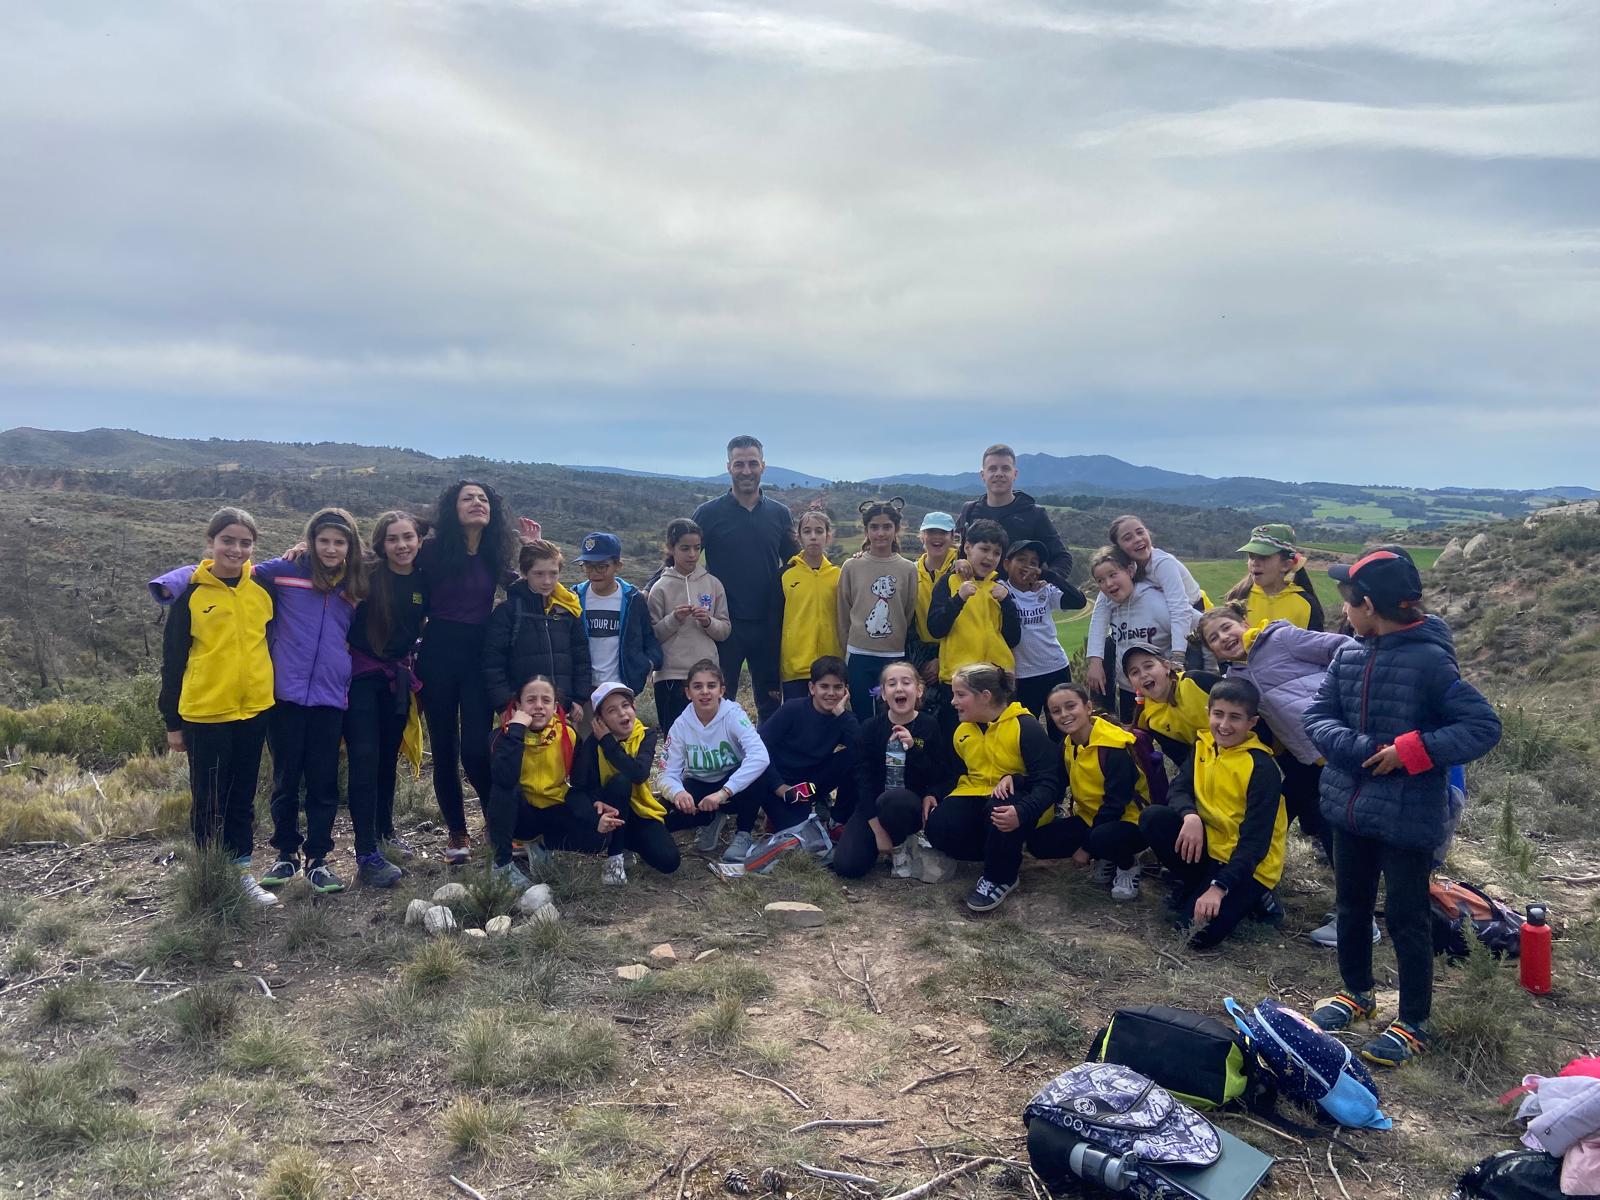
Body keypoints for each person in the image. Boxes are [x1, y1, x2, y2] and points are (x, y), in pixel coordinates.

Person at [1304, 550, 1501, 1068]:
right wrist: (1363, 748)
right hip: (1350, 809)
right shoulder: (1348, 654)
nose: (1343, 610)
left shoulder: (1431, 661)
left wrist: (1410, 752)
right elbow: (1318, 717)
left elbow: (1482, 728)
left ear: (1368, 605)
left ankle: (1414, 1020)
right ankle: (1357, 993)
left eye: (1348, 601)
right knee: (1351, 905)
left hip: (1407, 817)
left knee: (1407, 920)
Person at [150, 507, 366, 895]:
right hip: (275, 697)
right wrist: (176, 579)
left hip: (318, 698)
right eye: (323, 541)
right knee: (278, 781)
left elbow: (238, 572)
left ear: (350, 547)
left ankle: (316, 860)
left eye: (339, 541)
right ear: (310, 541)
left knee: (317, 782)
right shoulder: (281, 574)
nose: (331, 549)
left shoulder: (353, 586)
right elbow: (221, 574)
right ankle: (275, 857)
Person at [156, 507, 278, 906]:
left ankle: (241, 873)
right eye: (228, 540)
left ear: (252, 547)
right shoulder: (190, 595)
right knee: (208, 798)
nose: (236, 549)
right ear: (211, 543)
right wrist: (173, 722)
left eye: (245, 542)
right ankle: (209, 880)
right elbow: (173, 662)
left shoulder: (262, 590)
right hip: (205, 713)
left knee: (242, 797)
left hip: (255, 709)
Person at [1139, 678, 1288, 950]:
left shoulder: (1262, 767)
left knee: (1194, 934)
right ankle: (1195, 883)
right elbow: (1178, 789)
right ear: (1208, 712)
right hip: (1208, 845)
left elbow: (1255, 844)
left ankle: (1258, 896)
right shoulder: (1201, 746)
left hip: (1246, 862)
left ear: (1251, 723)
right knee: (1154, 818)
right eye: (1218, 714)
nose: (1224, 725)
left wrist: (1219, 886)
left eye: (1235, 718)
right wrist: (1190, 816)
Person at [416, 479, 519, 864]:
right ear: (452, 509)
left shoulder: (495, 554)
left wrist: (532, 552)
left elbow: (524, 585)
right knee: (444, 749)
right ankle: (457, 832)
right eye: (468, 498)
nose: (477, 503)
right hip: (438, 654)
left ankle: (495, 819)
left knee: (478, 748)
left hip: (479, 656)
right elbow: (387, 560)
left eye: (483, 498)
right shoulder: (430, 552)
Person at [1196, 606, 1350, 853]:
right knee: (1330, 820)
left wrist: (1334, 693)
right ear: (1212, 650)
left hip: (1344, 731)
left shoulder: (1280, 639)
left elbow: (1344, 647)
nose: (1223, 637)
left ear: (1245, 624)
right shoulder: (1236, 680)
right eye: (1214, 638)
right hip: (1311, 757)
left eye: (1227, 627)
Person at [923, 662, 1059, 913]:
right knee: (938, 826)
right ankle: (1000, 850)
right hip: (975, 794)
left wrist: (1024, 811)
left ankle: (1001, 876)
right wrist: (935, 793)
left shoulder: (1025, 728)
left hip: (1020, 803)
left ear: (985, 696)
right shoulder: (962, 731)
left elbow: (1050, 783)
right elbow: (956, 774)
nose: (953, 701)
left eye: (960, 695)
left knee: (1001, 810)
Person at [344, 510, 431, 888]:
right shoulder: (366, 574)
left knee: (385, 759)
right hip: (361, 677)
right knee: (364, 759)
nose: (402, 545)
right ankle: (366, 854)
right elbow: (325, 569)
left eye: (408, 537)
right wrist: (297, 552)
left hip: (397, 679)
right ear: (381, 544)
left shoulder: (424, 579)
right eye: (393, 539)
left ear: (418, 540)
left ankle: (384, 833)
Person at [692, 436, 800, 721]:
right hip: (724, 625)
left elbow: (797, 563)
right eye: (739, 463)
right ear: (729, 467)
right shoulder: (708, 513)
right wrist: (653, 587)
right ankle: (719, 764)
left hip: (768, 624)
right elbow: (681, 558)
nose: (746, 470)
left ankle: (766, 763)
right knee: (718, 701)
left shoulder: (780, 514)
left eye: (752, 463)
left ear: (763, 466)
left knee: (770, 704)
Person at [485, 675, 623, 888]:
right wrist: (516, 731)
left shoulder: (569, 735)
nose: (539, 706)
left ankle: (542, 846)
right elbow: (504, 778)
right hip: (521, 814)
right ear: (518, 705)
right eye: (531, 700)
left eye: (546, 701)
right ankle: (502, 866)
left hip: (555, 809)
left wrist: (594, 812)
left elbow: (581, 785)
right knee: (503, 790)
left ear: (555, 706)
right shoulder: (501, 736)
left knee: (600, 836)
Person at [831, 660, 959, 879]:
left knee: (895, 800)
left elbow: (940, 773)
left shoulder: (929, 725)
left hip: (909, 807)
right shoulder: (871, 728)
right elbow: (863, 779)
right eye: (891, 684)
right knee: (847, 866)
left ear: (919, 691)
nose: (899, 688)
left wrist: (913, 748)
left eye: (906, 682)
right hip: (873, 806)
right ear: (883, 694)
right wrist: (877, 831)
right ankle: (885, 842)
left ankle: (905, 843)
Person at [1039, 683, 1150, 901]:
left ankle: (1127, 865)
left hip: (1129, 822)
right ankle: (1105, 854)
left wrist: (1086, 848)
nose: (1064, 715)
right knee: (1039, 843)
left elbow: (1115, 806)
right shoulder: (1068, 745)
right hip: (1089, 818)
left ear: (1088, 707)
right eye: (1056, 711)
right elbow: (1055, 784)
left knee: (1103, 837)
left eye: (1071, 706)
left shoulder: (1114, 748)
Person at [658, 659, 772, 857]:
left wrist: (723, 793)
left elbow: (760, 756)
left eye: (711, 686)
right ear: (688, 693)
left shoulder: (733, 715)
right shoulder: (680, 725)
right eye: (697, 686)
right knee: (664, 813)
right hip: (700, 785)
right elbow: (666, 772)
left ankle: (743, 832)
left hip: (732, 786)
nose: (705, 692)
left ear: (721, 690)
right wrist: (677, 793)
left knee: (759, 771)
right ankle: (710, 818)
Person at [751, 656, 861, 861]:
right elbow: (758, 748)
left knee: (855, 757)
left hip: (812, 783)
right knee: (798, 837)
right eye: (824, 686)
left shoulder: (842, 718)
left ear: (846, 691)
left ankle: (837, 820)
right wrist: (779, 787)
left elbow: (863, 747)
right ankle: (775, 816)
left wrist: (843, 714)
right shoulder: (792, 709)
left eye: (838, 687)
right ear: (812, 688)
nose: (830, 693)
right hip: (781, 784)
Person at [926, 520, 1021, 736]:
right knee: (959, 743)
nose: (989, 557)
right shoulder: (949, 582)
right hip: (958, 681)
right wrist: (958, 600)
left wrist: (1007, 603)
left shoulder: (1001, 588)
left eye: (996, 552)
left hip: (997, 681)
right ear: (967, 547)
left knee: (1000, 742)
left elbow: (1013, 638)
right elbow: (935, 628)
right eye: (984, 549)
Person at [482, 539, 590, 717]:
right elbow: (493, 664)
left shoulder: (569, 610)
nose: (547, 581)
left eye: (553, 574)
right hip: (522, 710)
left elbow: (582, 659)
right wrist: (503, 706)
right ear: (524, 573)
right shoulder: (508, 612)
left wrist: (579, 699)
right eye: (539, 574)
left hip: (562, 710)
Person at [568, 682, 660, 884]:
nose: (622, 713)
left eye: (625, 705)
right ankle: (614, 858)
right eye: (612, 710)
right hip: (608, 808)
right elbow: (579, 786)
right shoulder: (592, 743)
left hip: (639, 808)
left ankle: (629, 840)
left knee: (668, 861)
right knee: (620, 781)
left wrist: (608, 742)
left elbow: (639, 774)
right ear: (600, 720)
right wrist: (594, 804)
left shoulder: (646, 735)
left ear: (634, 708)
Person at [837, 499, 919, 720]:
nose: (880, 533)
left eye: (886, 527)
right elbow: (844, 612)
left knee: (893, 716)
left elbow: (908, 610)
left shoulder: (908, 569)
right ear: (866, 530)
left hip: (893, 655)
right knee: (863, 715)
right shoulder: (851, 566)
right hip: (859, 655)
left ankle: (892, 755)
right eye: (874, 527)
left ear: (896, 529)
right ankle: (866, 755)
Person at [648, 519, 731, 733]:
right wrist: (674, 619)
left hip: (706, 676)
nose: (692, 554)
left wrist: (708, 621)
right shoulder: (660, 588)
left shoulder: (713, 584)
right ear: (671, 548)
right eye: (685, 548)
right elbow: (653, 635)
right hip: (670, 677)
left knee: (708, 737)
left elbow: (724, 630)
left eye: (697, 548)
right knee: (674, 739)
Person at [954, 444, 1073, 582]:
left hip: (1018, 601)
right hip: (973, 599)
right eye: (992, 468)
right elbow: (958, 552)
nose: (999, 473)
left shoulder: (1034, 514)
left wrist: (1044, 581)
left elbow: (1062, 558)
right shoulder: (969, 510)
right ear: (983, 475)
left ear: (1014, 474)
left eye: (1005, 468)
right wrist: (957, 564)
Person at [1082, 546, 1172, 722]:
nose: (1108, 583)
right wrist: (1095, 661)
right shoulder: (1110, 601)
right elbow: (1098, 623)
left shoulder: (1155, 602)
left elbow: (1189, 623)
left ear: (1130, 570)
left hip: (1162, 687)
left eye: (1113, 574)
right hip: (1129, 687)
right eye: (1100, 580)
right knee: (1133, 737)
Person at [1099, 515, 1206, 658]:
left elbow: (1180, 610)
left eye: (1140, 532)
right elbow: (1101, 607)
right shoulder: (1124, 569)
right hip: (1168, 613)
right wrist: (1095, 658)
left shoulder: (1163, 564)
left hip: (1194, 610)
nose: (1137, 539)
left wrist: (1178, 654)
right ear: (1118, 548)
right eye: (1128, 538)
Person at [1005, 539, 1086, 720]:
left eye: (1033, 563)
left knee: (1062, 727)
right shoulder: (1000, 590)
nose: (1027, 566)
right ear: (1006, 564)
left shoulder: (1046, 590)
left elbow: (1079, 601)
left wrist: (1048, 576)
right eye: (1021, 560)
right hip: (1023, 675)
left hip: (1056, 668)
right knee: (1025, 727)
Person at [574, 531, 661, 695]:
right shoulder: (575, 597)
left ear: (618, 566)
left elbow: (648, 637)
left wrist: (647, 664)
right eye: (588, 566)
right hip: (583, 690)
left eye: (601, 566)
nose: (594, 572)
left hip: (621, 687)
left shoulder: (633, 599)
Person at [778, 506, 843, 702]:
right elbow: (774, 622)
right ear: (798, 537)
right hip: (795, 667)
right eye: (807, 531)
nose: (813, 537)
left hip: (831, 666)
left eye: (819, 531)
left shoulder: (839, 575)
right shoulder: (785, 575)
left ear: (828, 536)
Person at [1122, 643, 1218, 767]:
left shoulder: (1194, 681)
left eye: (1148, 666)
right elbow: (1183, 760)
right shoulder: (1151, 719)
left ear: (1166, 666)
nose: (1143, 674)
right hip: (1207, 766)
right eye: (1135, 672)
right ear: (1132, 684)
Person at [1225, 524, 1325, 631]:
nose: (1255, 563)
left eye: (1263, 557)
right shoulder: (1238, 598)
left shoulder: (1305, 605)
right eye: (1251, 556)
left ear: (1286, 565)